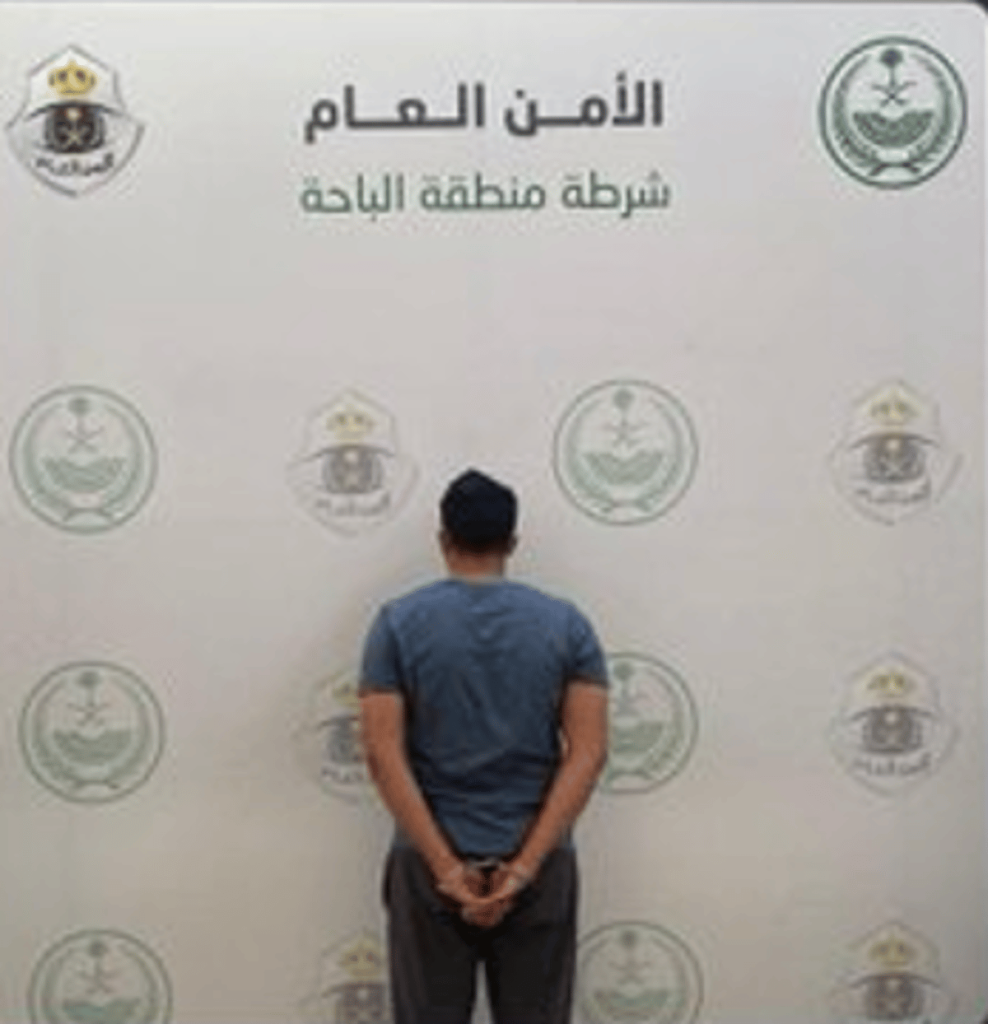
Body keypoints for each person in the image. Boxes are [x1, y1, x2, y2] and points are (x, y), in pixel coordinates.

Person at [359, 469, 609, 1024]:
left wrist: (447, 871)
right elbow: (588, 753)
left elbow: (381, 754)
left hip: (426, 866)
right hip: (540, 866)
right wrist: (522, 870)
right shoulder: (568, 625)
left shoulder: (396, 624)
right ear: (512, 542)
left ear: (442, 539)